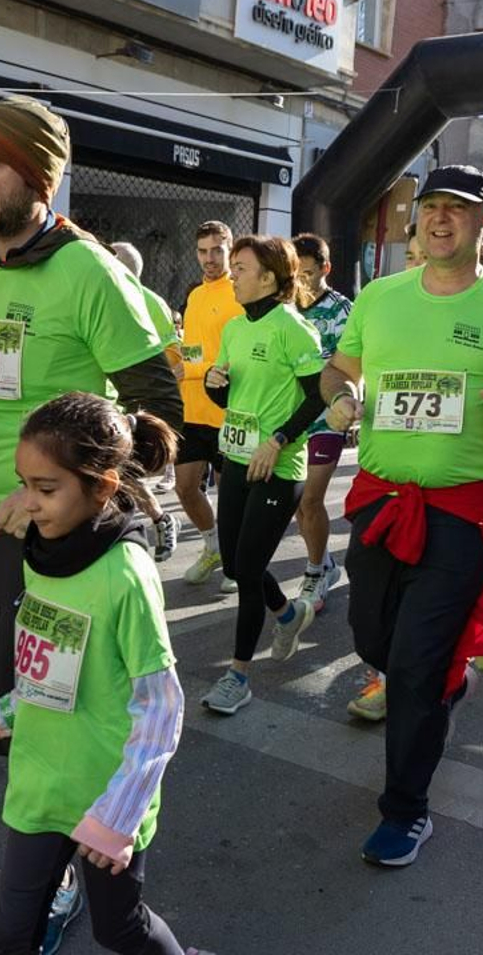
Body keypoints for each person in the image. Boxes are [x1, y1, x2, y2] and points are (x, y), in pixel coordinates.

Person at [0, 96, 181, 950]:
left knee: (40, 711)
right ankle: (70, 809)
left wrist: (78, 498)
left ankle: (73, 846)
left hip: (48, 547)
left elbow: (161, 418)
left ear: (38, 177)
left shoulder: (89, 274)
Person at [321, 165, 483, 867]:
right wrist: (342, 394)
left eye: (458, 209)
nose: (440, 219)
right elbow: (338, 369)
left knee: (414, 670)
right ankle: (447, 678)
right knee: (374, 640)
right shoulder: (379, 298)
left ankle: (406, 811)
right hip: (381, 507)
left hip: (459, 516)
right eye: (431, 206)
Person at [0, 392, 189, 955]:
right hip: (40, 782)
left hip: (106, 792)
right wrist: (10, 708)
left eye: (46, 489)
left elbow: (161, 708)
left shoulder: (126, 575)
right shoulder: (41, 550)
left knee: (120, 929)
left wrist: (118, 814)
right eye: (23, 484)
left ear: (103, 487)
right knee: (12, 936)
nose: (28, 503)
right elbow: (61, 654)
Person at [198, 235, 326, 716]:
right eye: (232, 266)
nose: (232, 275)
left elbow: (318, 397)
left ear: (269, 277)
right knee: (234, 566)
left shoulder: (294, 328)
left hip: (279, 465)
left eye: (241, 268)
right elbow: (228, 398)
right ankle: (288, 614)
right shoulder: (234, 328)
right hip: (236, 458)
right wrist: (215, 385)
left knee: (248, 571)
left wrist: (278, 440)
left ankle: (237, 677)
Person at [172, 221, 243, 594]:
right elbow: (194, 350)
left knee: (231, 497)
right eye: (202, 251)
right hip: (192, 411)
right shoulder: (196, 296)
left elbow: (236, 355)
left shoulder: (240, 292)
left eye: (217, 250)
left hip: (228, 411)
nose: (210, 258)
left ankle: (235, 560)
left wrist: (193, 369)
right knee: (184, 488)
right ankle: (213, 546)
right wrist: (178, 364)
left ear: (230, 249)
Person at [111, 241, 185, 563]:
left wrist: (143, 382)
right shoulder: (100, 295)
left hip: (136, 401)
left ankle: (156, 521)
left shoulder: (150, 302)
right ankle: (158, 519)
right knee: (116, 471)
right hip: (104, 395)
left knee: (120, 469)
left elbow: (173, 354)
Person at [292, 233, 352, 612]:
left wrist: (350, 404)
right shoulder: (284, 308)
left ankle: (315, 572)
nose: (300, 282)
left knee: (311, 500)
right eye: (294, 274)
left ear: (325, 268)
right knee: (299, 504)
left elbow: (354, 368)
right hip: (291, 418)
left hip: (327, 419)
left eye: (308, 274)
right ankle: (325, 562)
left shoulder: (344, 311)